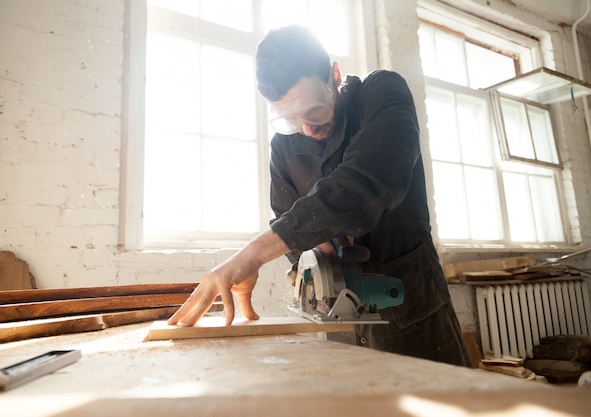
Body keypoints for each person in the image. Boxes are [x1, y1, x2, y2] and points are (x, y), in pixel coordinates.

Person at [168, 25, 472, 368]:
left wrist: (252, 255)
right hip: (336, 318)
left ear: (334, 74)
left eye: (313, 111)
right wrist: (314, 259)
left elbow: (370, 178)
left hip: (411, 309)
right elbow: (287, 214)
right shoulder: (283, 145)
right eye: (289, 118)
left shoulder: (382, 93)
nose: (306, 128)